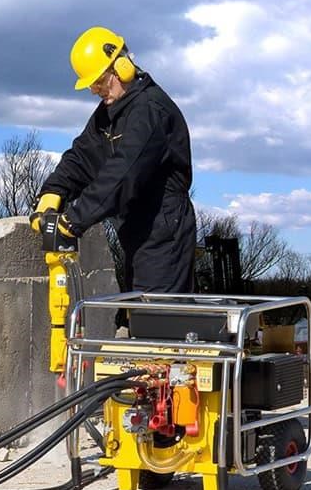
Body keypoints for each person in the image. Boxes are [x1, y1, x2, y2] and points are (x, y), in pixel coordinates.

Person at [30, 26, 196, 329]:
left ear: (122, 66)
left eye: (100, 83)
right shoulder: (111, 112)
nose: (98, 92)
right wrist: (51, 194)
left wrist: (74, 221)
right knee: (135, 319)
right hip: (135, 232)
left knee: (157, 326)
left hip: (163, 230)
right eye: (92, 87)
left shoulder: (150, 110)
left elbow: (123, 173)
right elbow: (82, 156)